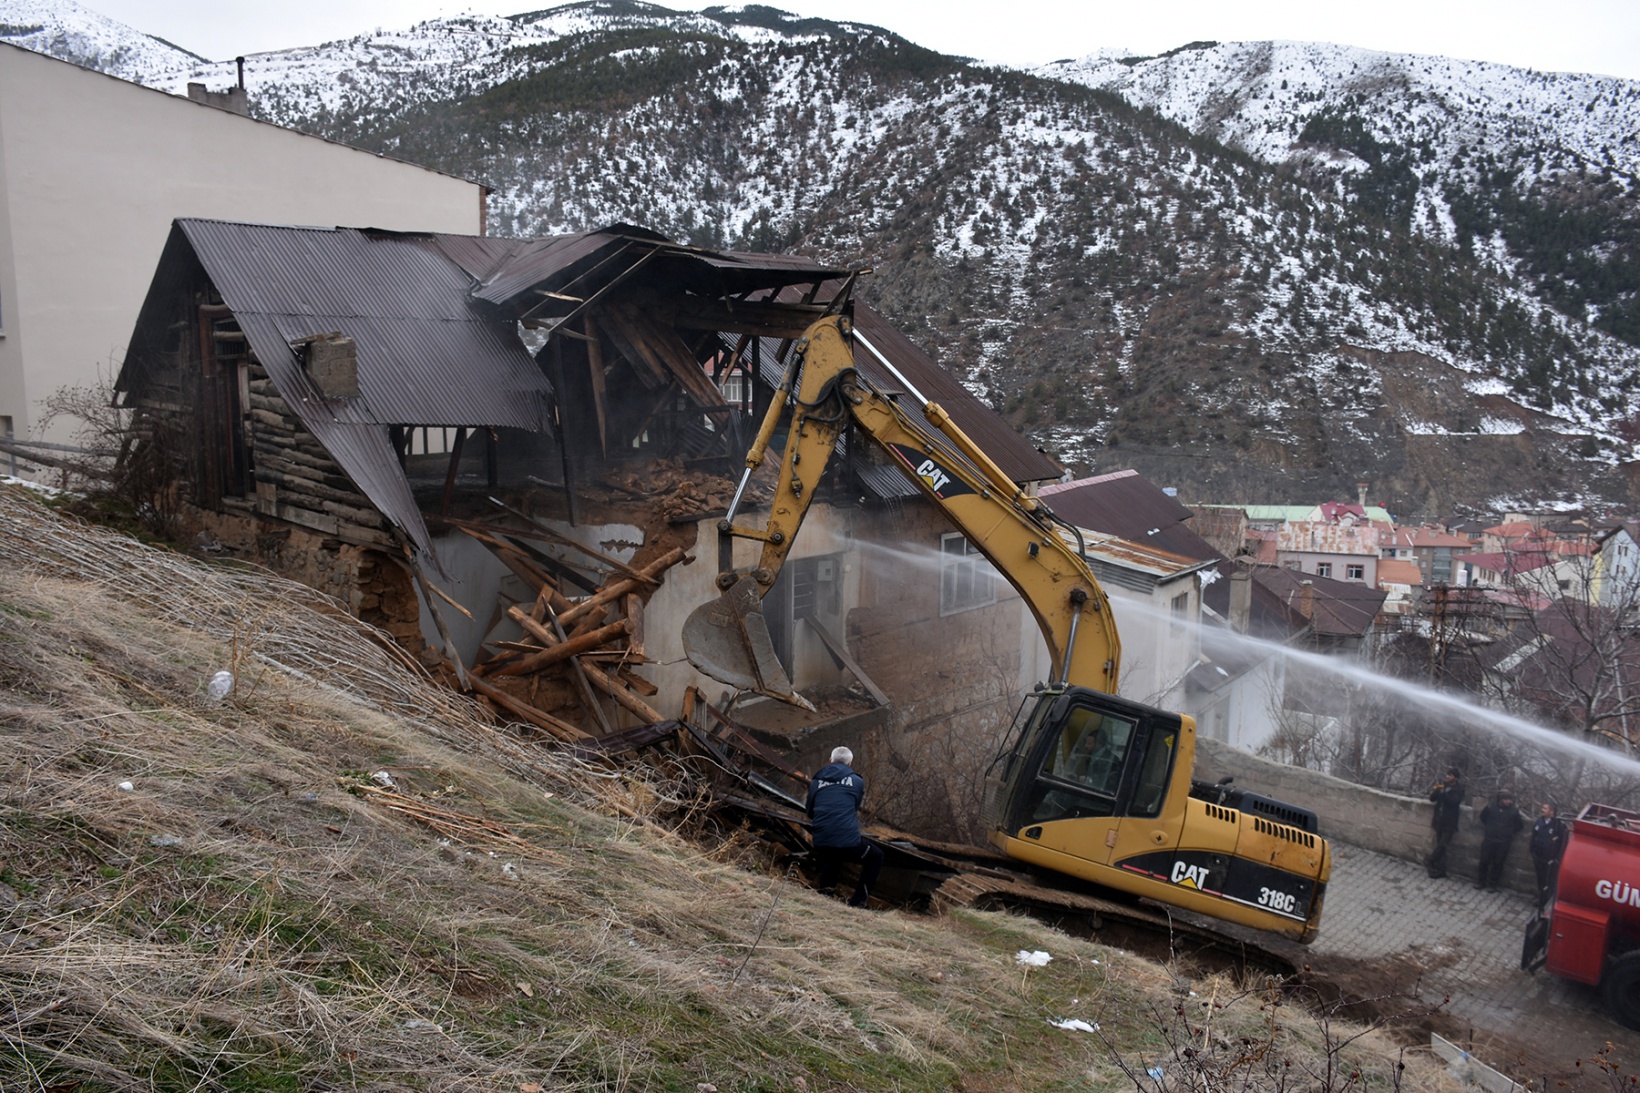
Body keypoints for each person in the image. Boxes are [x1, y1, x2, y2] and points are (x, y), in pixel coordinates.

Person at [805, 746, 884, 908]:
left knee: (832, 856)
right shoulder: (857, 781)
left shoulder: (816, 781)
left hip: (820, 839)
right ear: (850, 763)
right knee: (876, 857)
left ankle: (825, 895)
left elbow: (809, 811)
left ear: (830, 760)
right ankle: (857, 903)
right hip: (847, 840)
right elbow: (853, 807)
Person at [1476, 789, 1523, 891]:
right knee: (1484, 861)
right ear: (1501, 799)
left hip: (1504, 841)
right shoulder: (1491, 807)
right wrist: (1490, 828)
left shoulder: (1514, 811)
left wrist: (1508, 832)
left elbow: (1519, 825)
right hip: (1490, 839)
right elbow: (1483, 817)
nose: (1509, 802)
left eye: (1510, 800)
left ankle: (1493, 884)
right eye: (1506, 799)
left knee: (1498, 863)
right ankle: (1481, 882)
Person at [1426, 768, 1464, 878]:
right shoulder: (1442, 786)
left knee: (1442, 845)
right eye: (1447, 774)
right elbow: (1432, 799)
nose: (1448, 777)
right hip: (1439, 820)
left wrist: (1444, 794)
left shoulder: (1459, 789)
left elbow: (1454, 802)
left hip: (1450, 822)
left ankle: (1430, 860)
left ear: (1455, 778)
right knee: (1441, 847)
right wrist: (1437, 790)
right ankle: (1440, 870)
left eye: (1450, 775)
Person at [1528, 801, 1568, 906]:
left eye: (1545, 808)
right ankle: (1541, 897)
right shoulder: (1539, 821)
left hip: (1550, 859)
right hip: (1538, 856)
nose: (1542, 810)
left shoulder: (1559, 825)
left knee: (1549, 881)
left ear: (1552, 812)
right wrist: (1532, 849)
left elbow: (1563, 843)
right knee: (1540, 878)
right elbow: (1534, 835)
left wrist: (1557, 857)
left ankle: (1545, 901)